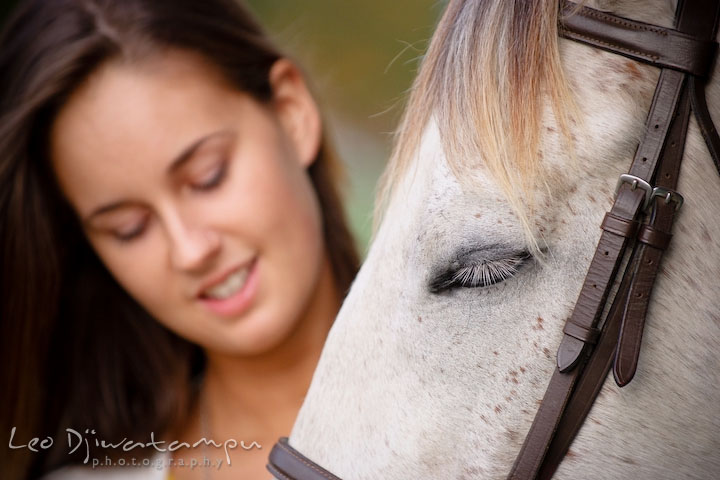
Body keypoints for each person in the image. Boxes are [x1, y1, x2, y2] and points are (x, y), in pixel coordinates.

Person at [0, 0, 359, 478]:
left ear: (292, 114)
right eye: (129, 228)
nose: (191, 250)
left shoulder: (489, 420)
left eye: (207, 177)